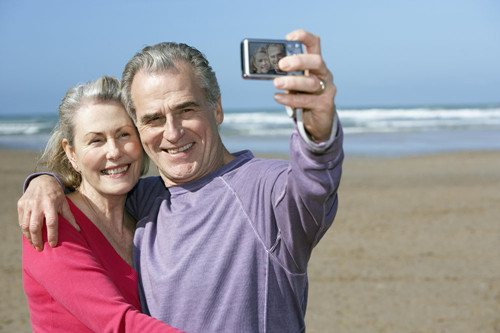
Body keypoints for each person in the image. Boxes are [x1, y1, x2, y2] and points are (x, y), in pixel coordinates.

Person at [19, 29, 343, 332]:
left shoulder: (264, 190)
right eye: (154, 119)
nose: (172, 133)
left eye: (186, 110)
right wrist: (46, 182)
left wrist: (318, 133)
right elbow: (95, 188)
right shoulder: (142, 199)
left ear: (216, 108)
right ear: (140, 129)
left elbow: (312, 186)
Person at [22, 76, 182, 332]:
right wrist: (42, 181)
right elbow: (119, 324)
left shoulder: (147, 213)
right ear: (72, 154)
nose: (115, 152)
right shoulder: (50, 223)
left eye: (123, 134)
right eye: (96, 140)